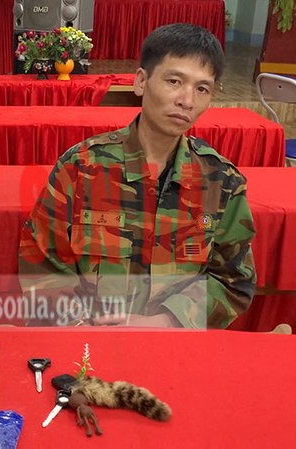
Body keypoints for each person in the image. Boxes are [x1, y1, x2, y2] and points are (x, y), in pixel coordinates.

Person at [19, 23, 256, 329]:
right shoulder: (81, 168)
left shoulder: (222, 182)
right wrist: (80, 328)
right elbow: (41, 264)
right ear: (142, 81)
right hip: (87, 343)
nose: (187, 100)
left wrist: (167, 321)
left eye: (202, 89)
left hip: (172, 343)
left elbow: (233, 280)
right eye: (174, 81)